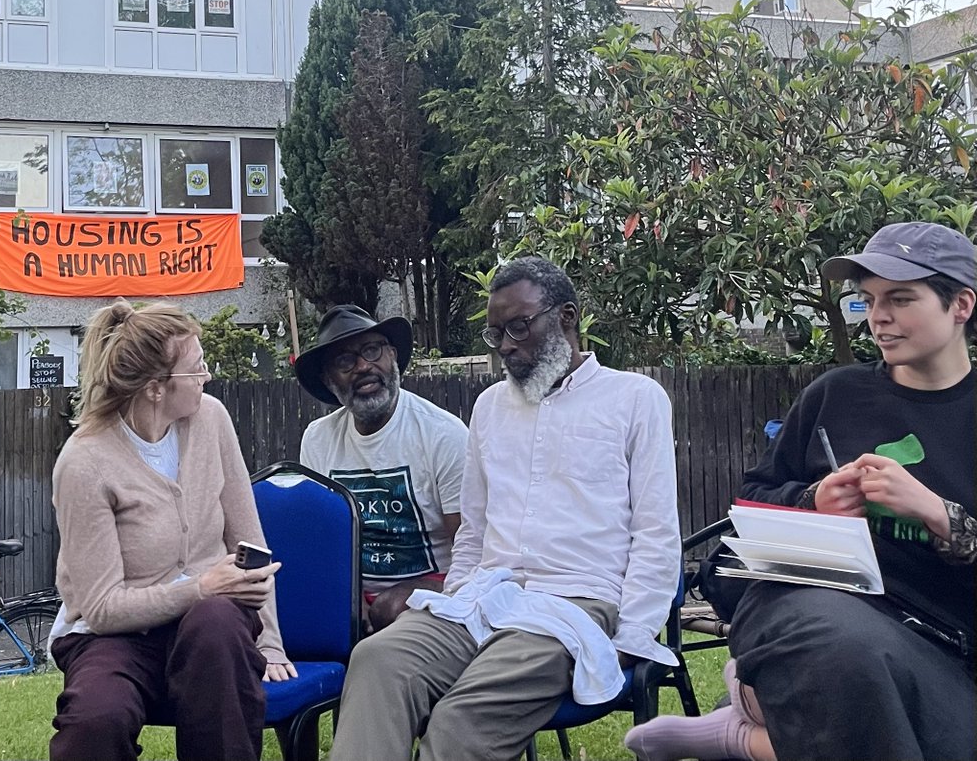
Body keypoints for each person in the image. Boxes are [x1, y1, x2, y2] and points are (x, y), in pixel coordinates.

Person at [624, 220, 976, 761]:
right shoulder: (836, 395)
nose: (879, 317)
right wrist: (813, 501)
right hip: (814, 608)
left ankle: (748, 733)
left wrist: (939, 514)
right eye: (869, 300)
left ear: (961, 306)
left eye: (901, 299)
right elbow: (749, 508)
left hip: (941, 643)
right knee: (846, 652)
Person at [327, 257, 680, 761]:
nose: (508, 346)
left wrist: (634, 634)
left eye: (519, 326)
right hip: (485, 598)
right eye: (496, 334)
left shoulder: (635, 400)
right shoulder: (490, 407)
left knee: (459, 720)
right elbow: (473, 529)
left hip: (574, 607)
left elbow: (656, 533)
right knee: (380, 659)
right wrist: (458, 595)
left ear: (566, 318)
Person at [48, 300, 294, 761]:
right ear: (156, 388)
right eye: (197, 368)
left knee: (217, 621)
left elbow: (251, 544)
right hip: (112, 637)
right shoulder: (84, 462)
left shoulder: (212, 419)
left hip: (207, 629)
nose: (206, 377)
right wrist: (199, 587)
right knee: (95, 720)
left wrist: (271, 642)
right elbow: (101, 610)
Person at [294, 304, 467, 632]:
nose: (362, 366)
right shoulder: (318, 439)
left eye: (371, 350)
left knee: (390, 608)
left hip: (436, 587)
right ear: (328, 380)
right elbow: (323, 542)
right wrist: (347, 597)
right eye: (345, 361)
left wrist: (418, 595)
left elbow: (471, 547)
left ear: (392, 356)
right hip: (353, 592)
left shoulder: (442, 434)